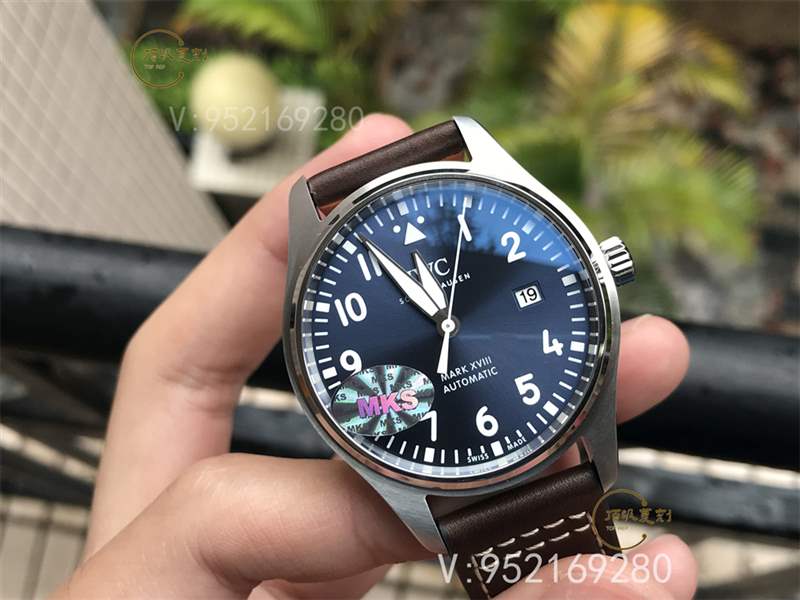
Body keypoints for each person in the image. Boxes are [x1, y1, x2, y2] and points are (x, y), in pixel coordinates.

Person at [55, 115, 697, 599]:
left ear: (602, 268)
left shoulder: (482, 182)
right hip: (455, 473)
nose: (449, 325)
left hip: (537, 440)